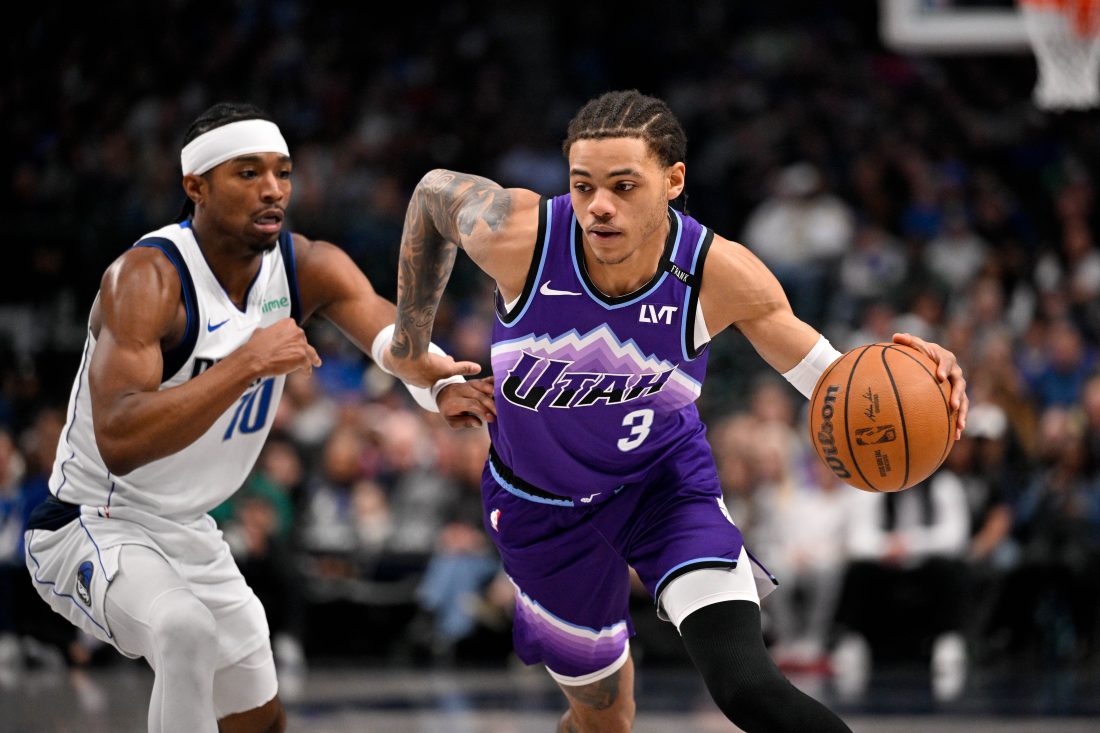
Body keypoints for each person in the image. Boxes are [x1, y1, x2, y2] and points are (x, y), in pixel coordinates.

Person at [383, 89, 968, 733]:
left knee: (748, 687)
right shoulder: (522, 236)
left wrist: (919, 381)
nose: (598, 206)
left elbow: (832, 378)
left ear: (673, 180)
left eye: (624, 185)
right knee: (605, 720)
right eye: (582, 186)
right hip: (540, 507)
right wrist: (412, 347)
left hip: (664, 488)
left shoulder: (720, 274)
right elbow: (434, 195)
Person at [22, 102, 494, 733]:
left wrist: (436, 385)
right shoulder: (147, 279)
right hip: (94, 521)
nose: (273, 189)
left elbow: (386, 329)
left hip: (190, 529)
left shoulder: (306, 265)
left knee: (259, 719)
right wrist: (246, 363)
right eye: (248, 173)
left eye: (283, 172)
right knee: (183, 631)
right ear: (196, 186)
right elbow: (119, 440)